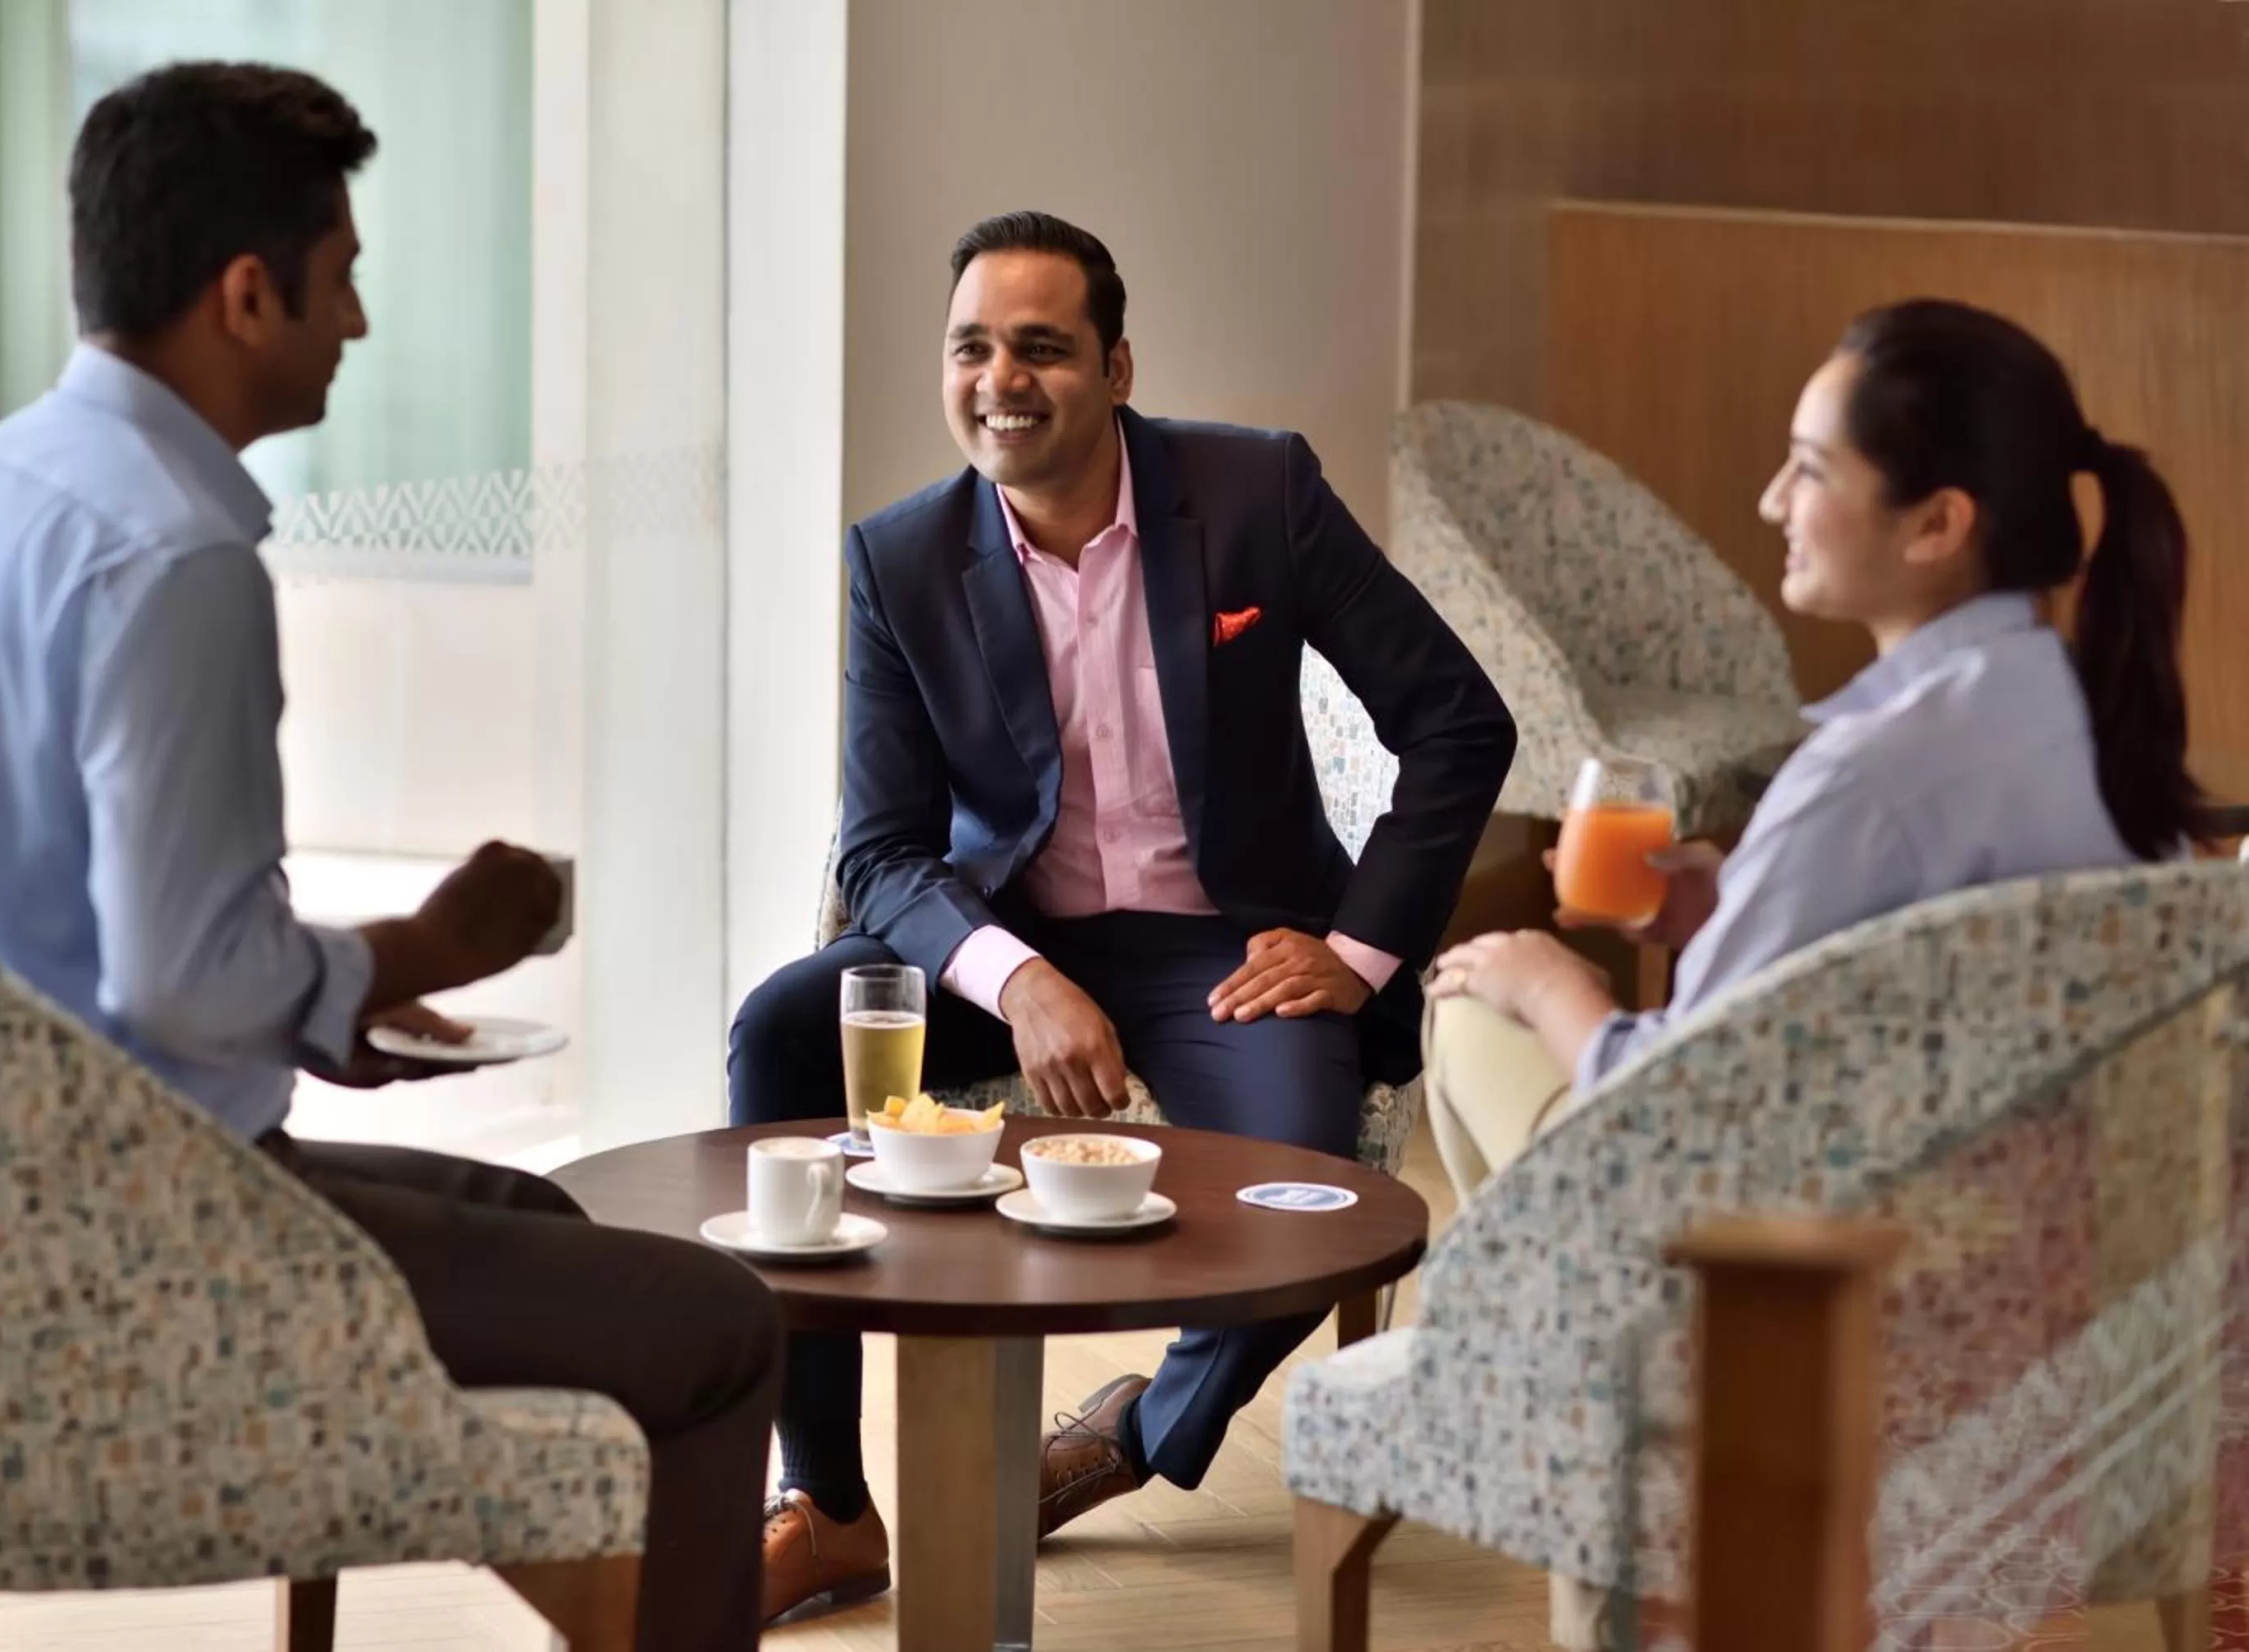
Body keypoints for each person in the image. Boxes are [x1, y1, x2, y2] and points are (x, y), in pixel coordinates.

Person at [0, 63, 777, 1652]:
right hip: (143, 1245)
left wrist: (320, 1009)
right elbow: (182, 975)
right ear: (246, 293)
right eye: (341, 280)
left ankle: (548, 1548)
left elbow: (68, 940)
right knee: (722, 1322)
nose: (357, 323)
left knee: (535, 1218)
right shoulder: (176, 553)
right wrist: (430, 940)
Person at [728, 210, 1517, 1625]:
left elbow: (1458, 718)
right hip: (1014, 935)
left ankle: (1130, 1432)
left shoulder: (1257, 492)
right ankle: (831, 1505)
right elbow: (887, 845)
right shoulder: (899, 559)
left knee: (1310, 1199)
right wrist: (1019, 977)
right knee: (781, 1029)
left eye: (1042, 347)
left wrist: (1350, 952)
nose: (1000, 379)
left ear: (1117, 367)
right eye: (972, 346)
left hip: (1233, 945)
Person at [1425, 301, 2203, 1648]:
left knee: (1468, 1001)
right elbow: (1933, 980)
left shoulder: (1863, 775)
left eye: (1812, 468)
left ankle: (1611, 1430)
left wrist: (1558, 981)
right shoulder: (2078, 707)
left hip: (1834, 1289)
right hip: (2052, 1291)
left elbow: (1674, 1111)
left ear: (1938, 523)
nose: (1771, 496)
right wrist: (1730, 915)